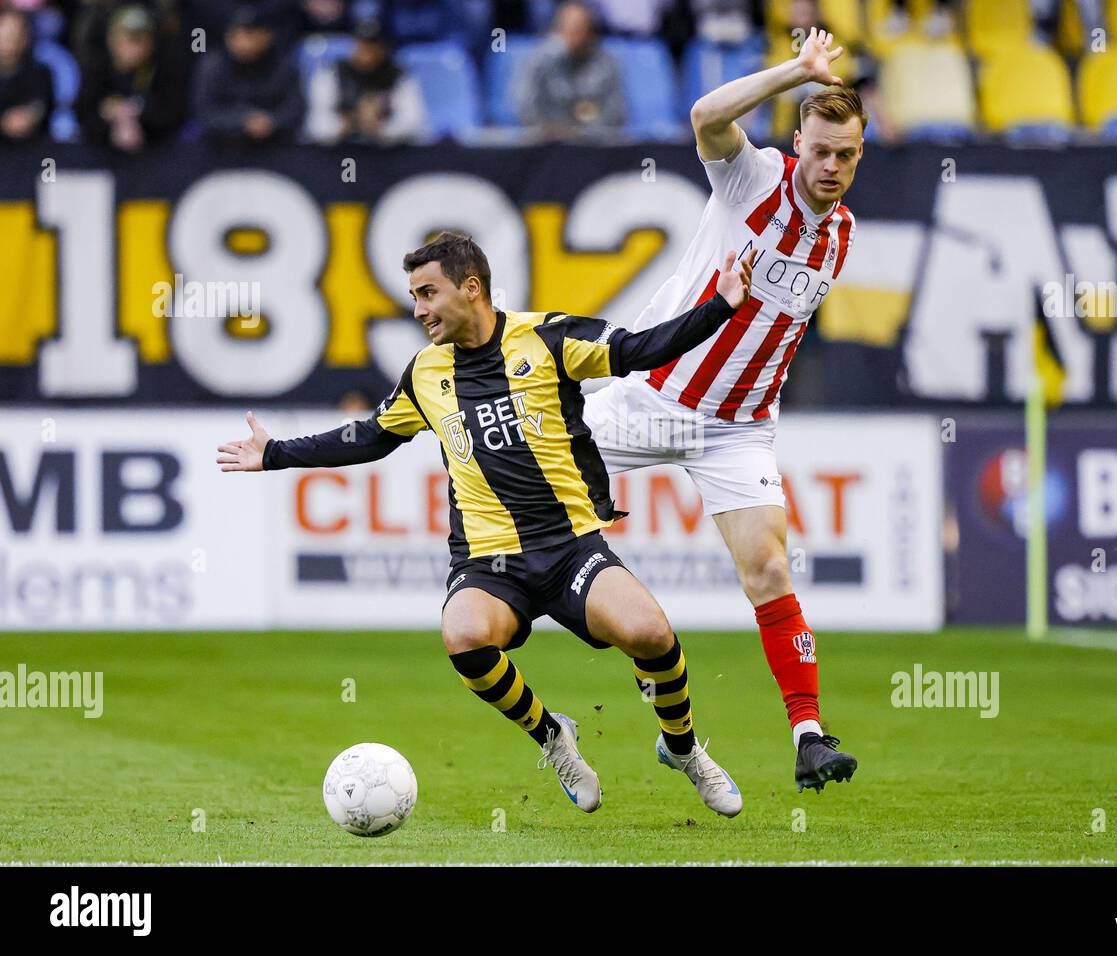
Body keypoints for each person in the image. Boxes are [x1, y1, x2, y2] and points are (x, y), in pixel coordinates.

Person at [216, 232, 757, 818]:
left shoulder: (549, 339)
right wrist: (276, 454)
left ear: (471, 288)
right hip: (489, 561)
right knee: (464, 635)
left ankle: (681, 749)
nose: (418, 309)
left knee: (651, 634)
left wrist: (721, 307)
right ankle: (553, 737)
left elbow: (642, 349)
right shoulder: (425, 374)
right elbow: (371, 436)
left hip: (571, 548)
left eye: (428, 293)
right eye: (414, 296)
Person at [582, 29, 861, 793]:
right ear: (796, 142)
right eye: (821, 151)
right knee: (541, 513)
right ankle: (640, 665)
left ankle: (808, 734)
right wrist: (796, 72)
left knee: (769, 568)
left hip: (738, 427)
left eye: (847, 156)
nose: (832, 168)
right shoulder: (753, 180)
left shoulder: (841, 234)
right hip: (652, 398)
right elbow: (706, 114)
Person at [75, 5, 187, 151]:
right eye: (131, 39)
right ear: (113, 40)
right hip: (101, 153)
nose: (137, 47)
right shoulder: (96, 69)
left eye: (143, 39)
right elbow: (82, 115)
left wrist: (138, 111)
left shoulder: (163, 68)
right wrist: (108, 117)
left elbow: (175, 112)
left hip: (157, 151)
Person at [193, 4, 304, 148]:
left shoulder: (284, 63)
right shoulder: (213, 64)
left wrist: (272, 121)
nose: (242, 42)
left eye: (250, 34)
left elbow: (296, 107)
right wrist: (243, 120)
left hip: (276, 142)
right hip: (221, 144)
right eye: (235, 35)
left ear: (268, 35)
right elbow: (203, 111)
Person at [305, 18, 429, 145]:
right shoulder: (332, 73)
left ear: (384, 48)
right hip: (340, 153)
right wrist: (351, 121)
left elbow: (414, 122)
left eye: (373, 45)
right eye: (361, 44)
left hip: (387, 153)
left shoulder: (398, 76)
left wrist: (379, 128)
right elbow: (317, 126)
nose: (366, 51)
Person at [513, 0, 625, 139]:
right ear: (556, 31)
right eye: (567, 30)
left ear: (591, 34)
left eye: (579, 30)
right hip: (546, 144)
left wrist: (580, 133)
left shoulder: (607, 64)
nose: (573, 38)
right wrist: (548, 129)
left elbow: (615, 113)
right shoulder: (538, 62)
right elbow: (525, 106)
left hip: (592, 146)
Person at [0, 8, 52, 145]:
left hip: (30, 152)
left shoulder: (40, 73)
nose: (11, 40)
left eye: (16, 34)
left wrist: (30, 116)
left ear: (26, 38)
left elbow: (40, 105)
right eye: (6, 34)